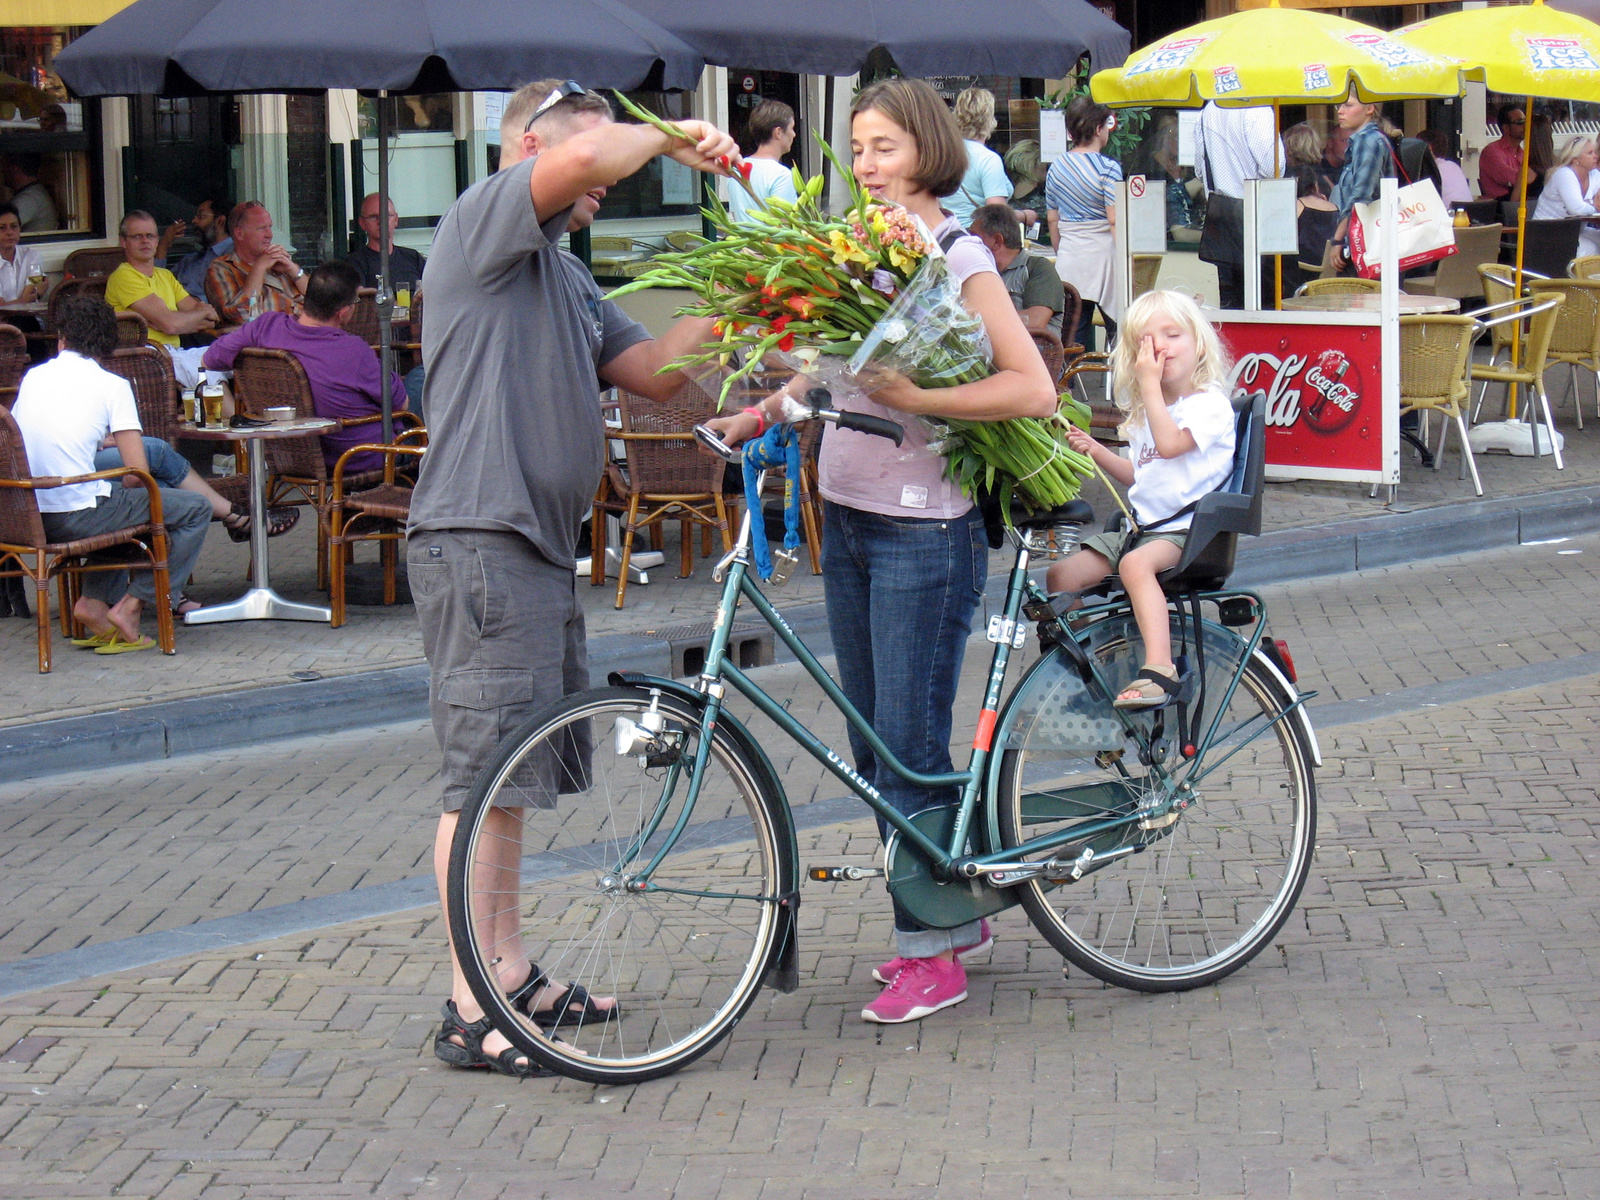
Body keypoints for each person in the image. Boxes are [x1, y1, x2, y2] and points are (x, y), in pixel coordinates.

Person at [404, 79, 741, 1076]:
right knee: (479, 781)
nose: (606, 178)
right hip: (481, 534)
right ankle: (476, 1008)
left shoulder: (564, 277)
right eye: (589, 154)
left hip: (538, 547)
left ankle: (509, 972)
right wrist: (674, 139)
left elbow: (664, 377)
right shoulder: (480, 221)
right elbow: (594, 160)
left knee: (511, 777)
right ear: (530, 151)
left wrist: (760, 301)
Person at [708, 77, 1055, 1025]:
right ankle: (955, 914)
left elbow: (1032, 392)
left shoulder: (958, 253)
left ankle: (927, 952)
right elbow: (839, 371)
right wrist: (762, 409)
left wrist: (923, 401)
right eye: (856, 149)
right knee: (873, 746)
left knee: (904, 742)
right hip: (849, 521)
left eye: (884, 149)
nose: (866, 167)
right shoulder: (857, 251)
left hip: (922, 531)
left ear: (928, 151)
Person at [1044, 290, 1235, 707]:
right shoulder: (1152, 413)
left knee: (1134, 565)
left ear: (1199, 344)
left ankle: (1160, 668)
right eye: (1147, 341)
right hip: (1144, 529)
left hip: (1189, 532)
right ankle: (1089, 673)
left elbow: (1169, 447)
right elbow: (1141, 474)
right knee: (1061, 577)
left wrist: (1148, 385)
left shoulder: (1208, 406)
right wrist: (1098, 451)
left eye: (1172, 335)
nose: (1161, 347)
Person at [9, 294, 212, 652]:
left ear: (62, 339)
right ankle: (131, 607)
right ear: (110, 344)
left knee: (126, 507)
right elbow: (138, 472)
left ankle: (94, 604)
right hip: (72, 515)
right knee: (192, 508)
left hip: (23, 515)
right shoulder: (112, 385)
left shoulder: (33, 377)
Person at [202, 260, 409, 473]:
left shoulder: (265, 327)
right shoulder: (353, 351)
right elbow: (401, 404)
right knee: (419, 381)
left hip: (288, 455)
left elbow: (209, 359)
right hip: (359, 456)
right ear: (343, 311)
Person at [104, 210, 220, 390]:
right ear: (123, 242)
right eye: (137, 236)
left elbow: (210, 319)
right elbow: (172, 325)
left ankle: (246, 417)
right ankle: (231, 417)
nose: (145, 241)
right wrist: (178, 320)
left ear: (157, 240)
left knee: (229, 357)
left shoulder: (165, 275)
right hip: (148, 358)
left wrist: (194, 314)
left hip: (176, 353)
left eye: (150, 236)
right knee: (209, 378)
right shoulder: (123, 276)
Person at [1047, 96, 1123, 350]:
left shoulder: (1056, 167)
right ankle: (1115, 385)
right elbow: (1114, 220)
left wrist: (1061, 251)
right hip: (1104, 258)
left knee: (1071, 334)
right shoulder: (1108, 168)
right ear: (1099, 129)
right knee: (1117, 329)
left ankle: (1067, 385)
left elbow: (1052, 218)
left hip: (1070, 257)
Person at [1193, 102, 1282, 309]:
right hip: (1259, 216)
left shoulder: (1208, 111)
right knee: (1266, 308)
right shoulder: (1257, 108)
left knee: (1231, 306)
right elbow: (1273, 167)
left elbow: (1199, 171)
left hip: (1220, 219)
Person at [205, 201, 309, 326]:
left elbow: (324, 303)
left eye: (270, 227)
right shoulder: (222, 267)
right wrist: (259, 268)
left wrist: (294, 271)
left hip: (307, 335)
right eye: (261, 228)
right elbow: (240, 316)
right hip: (267, 341)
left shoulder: (280, 263)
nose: (269, 235)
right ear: (239, 234)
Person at [969, 202, 1064, 336]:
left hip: (1032, 353)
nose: (969, 242)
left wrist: (975, 322)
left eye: (974, 237)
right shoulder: (978, 271)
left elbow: (1035, 320)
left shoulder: (1037, 268)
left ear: (997, 241)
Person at [1329, 94, 1390, 273]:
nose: (1340, 111)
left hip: (1368, 243)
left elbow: (1360, 196)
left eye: (1348, 105)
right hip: (1370, 241)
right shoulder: (1362, 141)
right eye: (1339, 106)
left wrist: (1338, 239)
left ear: (1369, 109)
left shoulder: (1368, 141)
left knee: (1359, 298)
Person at [943, 87, 1017, 230]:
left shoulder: (945, 154)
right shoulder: (988, 160)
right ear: (990, 119)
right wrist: (1023, 216)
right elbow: (997, 216)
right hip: (977, 238)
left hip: (945, 235)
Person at [727, 99, 799, 225]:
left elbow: (736, 215)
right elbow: (785, 225)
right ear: (778, 132)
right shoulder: (781, 175)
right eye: (792, 128)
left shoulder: (736, 170)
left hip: (743, 243)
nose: (794, 134)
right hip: (769, 244)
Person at [1534, 135, 1600, 257]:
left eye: (1595, 152)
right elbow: (1576, 209)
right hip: (1548, 232)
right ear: (1575, 159)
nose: (1596, 156)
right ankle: (1581, 276)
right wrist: (1595, 206)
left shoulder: (1594, 174)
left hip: (1574, 230)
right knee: (1590, 249)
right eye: (1590, 153)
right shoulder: (1564, 174)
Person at [346, 193, 426, 293]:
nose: (381, 221)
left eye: (386, 215)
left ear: (396, 220)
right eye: (373, 217)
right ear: (362, 223)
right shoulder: (354, 264)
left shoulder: (414, 258)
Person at [171, 195, 234, 300]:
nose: (194, 221)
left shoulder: (235, 255)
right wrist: (163, 247)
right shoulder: (190, 260)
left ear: (220, 221)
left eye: (201, 216)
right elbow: (155, 284)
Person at [1478, 104, 1526, 203]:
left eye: (1526, 122)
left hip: (1518, 202)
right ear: (1506, 128)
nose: (1525, 126)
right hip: (1499, 207)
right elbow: (1509, 178)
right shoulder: (1492, 151)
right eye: (1520, 122)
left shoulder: (1523, 152)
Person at [1003, 139, 1048, 239]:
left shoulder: (1005, 201)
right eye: (1043, 162)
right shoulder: (1044, 204)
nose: (1046, 165)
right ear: (1032, 165)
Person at [2, 154, 58, 233]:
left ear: (15, 169)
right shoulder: (35, 193)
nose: (3, 171)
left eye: (5, 167)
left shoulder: (30, 199)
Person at [0, 202, 44, 303]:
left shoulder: (32, 256)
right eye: (2, 227)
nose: (10, 232)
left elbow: (34, 289)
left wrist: (32, 296)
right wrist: (27, 299)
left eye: (14, 226)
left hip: (28, 317)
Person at [1418, 130, 1472, 207]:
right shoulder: (1454, 166)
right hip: (1466, 216)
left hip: (1446, 216)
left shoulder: (1431, 171)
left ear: (1428, 149)